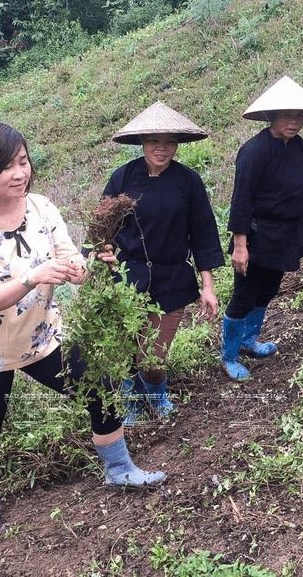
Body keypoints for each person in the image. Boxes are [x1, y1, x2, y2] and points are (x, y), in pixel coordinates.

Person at [0, 121, 165, 535]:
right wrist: (34, 276)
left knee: (99, 386)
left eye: (23, 162)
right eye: (6, 168)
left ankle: (120, 468)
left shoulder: (41, 207)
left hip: (43, 339)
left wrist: (84, 266)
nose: (20, 173)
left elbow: (70, 261)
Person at [103, 102, 224, 422]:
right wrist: (99, 264)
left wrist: (207, 286)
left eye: (169, 141)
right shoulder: (123, 178)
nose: (162, 148)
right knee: (126, 347)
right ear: (142, 143)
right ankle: (131, 401)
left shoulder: (188, 182)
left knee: (154, 355)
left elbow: (203, 233)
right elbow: (101, 230)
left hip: (172, 278)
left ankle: (156, 395)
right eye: (154, 140)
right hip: (129, 278)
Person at [222, 76, 303, 381]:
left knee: (269, 289)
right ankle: (229, 354)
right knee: (245, 293)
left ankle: (249, 340)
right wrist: (240, 245)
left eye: (299, 117)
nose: (294, 123)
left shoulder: (299, 147)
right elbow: (240, 199)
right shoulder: (254, 151)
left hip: (286, 234)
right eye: (287, 117)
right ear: (272, 117)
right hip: (257, 236)